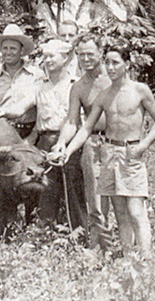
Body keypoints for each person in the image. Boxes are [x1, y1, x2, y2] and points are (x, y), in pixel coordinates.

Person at [55, 45, 155, 257]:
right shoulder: (104, 95)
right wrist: (67, 150)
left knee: (136, 211)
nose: (111, 67)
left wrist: (143, 145)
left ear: (127, 64)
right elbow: (86, 126)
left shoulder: (139, 90)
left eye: (115, 62)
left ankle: (147, 259)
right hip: (109, 154)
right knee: (121, 213)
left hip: (131, 155)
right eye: (108, 62)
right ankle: (127, 257)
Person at [0, 39, 87, 229]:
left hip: (71, 143)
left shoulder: (76, 85)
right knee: (45, 191)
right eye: (45, 56)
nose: (47, 60)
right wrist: (3, 111)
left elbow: (77, 121)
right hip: (44, 143)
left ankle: (80, 233)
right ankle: (44, 233)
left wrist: (66, 145)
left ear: (66, 57)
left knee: (74, 193)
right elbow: (20, 108)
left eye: (52, 55)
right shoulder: (39, 86)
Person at [50, 33, 112, 249]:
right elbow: (72, 122)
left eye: (90, 54)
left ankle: (130, 249)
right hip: (92, 143)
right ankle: (99, 249)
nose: (85, 59)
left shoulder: (115, 78)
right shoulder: (79, 87)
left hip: (119, 144)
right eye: (81, 55)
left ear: (101, 53)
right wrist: (61, 143)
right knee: (95, 201)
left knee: (124, 201)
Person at [0, 24, 44, 138]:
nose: (8, 52)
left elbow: (42, 111)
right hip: (1, 132)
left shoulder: (36, 75)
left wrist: (33, 136)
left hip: (28, 132)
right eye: (5, 48)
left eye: (13, 48)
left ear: (21, 51)